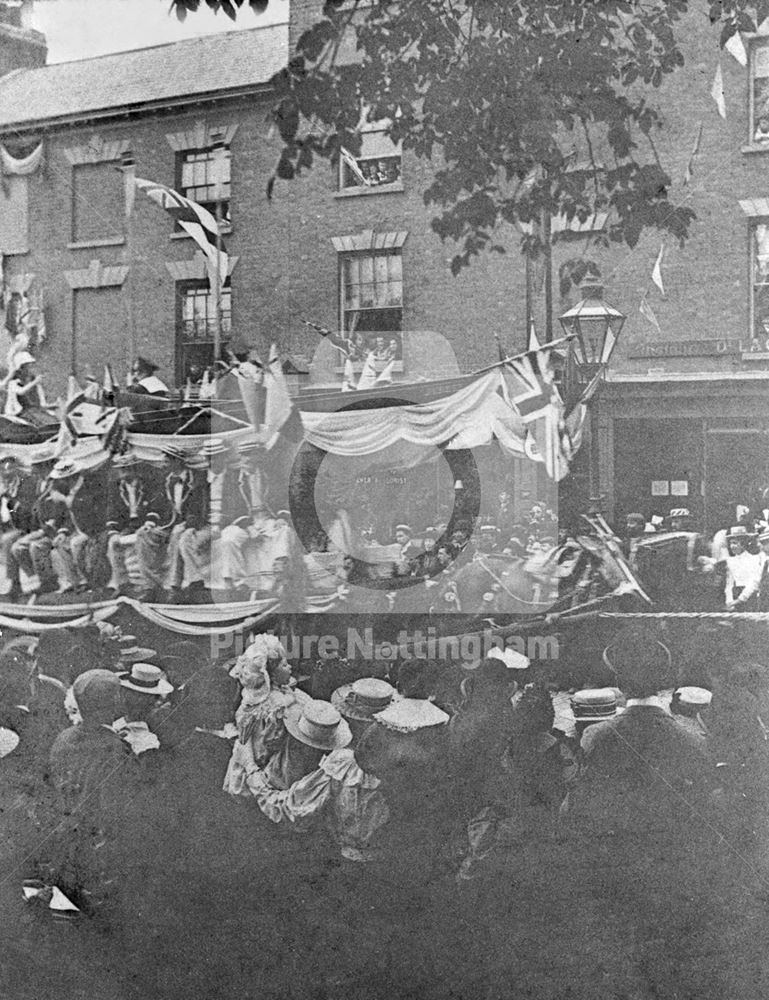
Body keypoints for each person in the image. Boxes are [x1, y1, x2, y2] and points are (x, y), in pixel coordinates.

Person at [223, 634, 311, 796]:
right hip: (268, 764)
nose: (289, 668)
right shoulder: (273, 707)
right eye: (284, 665)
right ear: (269, 676)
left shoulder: (284, 695)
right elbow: (269, 743)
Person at [724, 524, 762, 609]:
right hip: (735, 595)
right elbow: (729, 583)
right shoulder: (730, 561)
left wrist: (740, 599)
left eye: (735, 543)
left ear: (743, 544)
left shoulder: (753, 559)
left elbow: (754, 582)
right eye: (731, 543)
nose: (732, 546)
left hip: (749, 597)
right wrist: (729, 601)